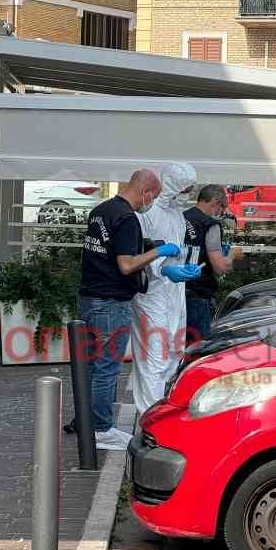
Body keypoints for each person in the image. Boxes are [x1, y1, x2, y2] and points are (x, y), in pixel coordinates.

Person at [78, 169, 181, 451]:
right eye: (153, 197)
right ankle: (101, 429)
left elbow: (108, 251)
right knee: (107, 367)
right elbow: (126, 264)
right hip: (111, 301)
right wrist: (159, 252)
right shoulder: (127, 218)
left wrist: (148, 246)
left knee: (90, 365)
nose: (150, 203)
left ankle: (87, 423)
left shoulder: (101, 210)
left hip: (90, 297)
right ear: (146, 191)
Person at [131, 162, 201, 419]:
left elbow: (176, 247)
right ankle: (149, 415)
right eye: (186, 188)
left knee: (174, 351)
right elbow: (139, 253)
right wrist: (163, 269)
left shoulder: (176, 213)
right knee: (154, 355)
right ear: (173, 184)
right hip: (151, 292)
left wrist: (186, 266)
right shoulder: (146, 212)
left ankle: (162, 409)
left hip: (174, 292)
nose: (189, 193)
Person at [184, 185, 237, 341]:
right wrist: (232, 254)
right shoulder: (210, 225)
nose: (220, 213)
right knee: (197, 348)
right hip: (197, 294)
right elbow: (220, 267)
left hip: (175, 293)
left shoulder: (181, 217)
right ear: (215, 202)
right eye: (222, 208)